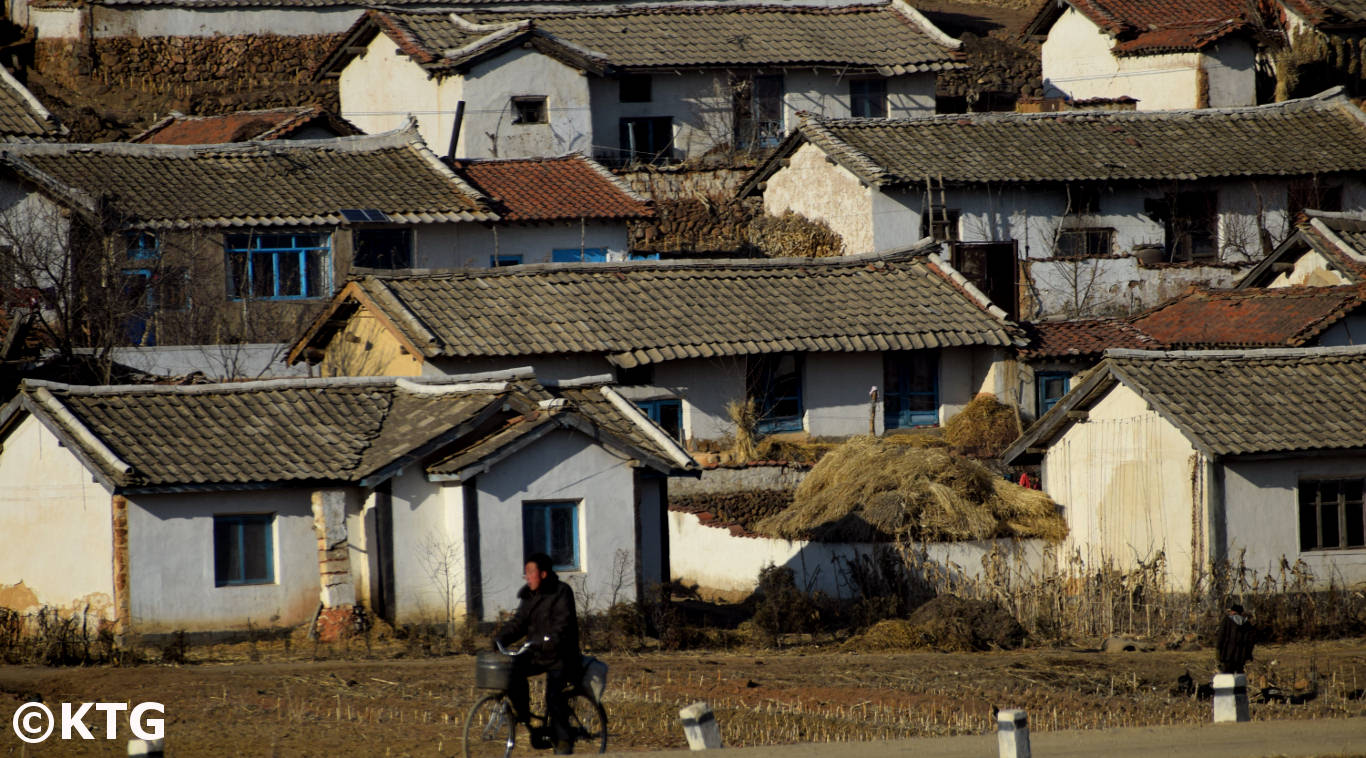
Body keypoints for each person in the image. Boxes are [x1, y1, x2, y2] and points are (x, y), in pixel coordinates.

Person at [495, 553, 582, 755]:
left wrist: (551, 639)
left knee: (554, 697)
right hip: (537, 653)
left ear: (543, 574)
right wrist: (500, 639)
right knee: (512, 671)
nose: (527, 577)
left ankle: (563, 740)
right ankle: (528, 719)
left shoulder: (562, 592)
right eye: (525, 573)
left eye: (530, 573)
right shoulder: (529, 595)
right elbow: (519, 622)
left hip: (561, 655)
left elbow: (563, 623)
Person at [1215, 603, 1256, 674]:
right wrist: (1248, 654)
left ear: (1233, 611)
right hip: (1241, 656)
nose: (1230, 612)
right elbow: (1251, 641)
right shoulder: (1247, 624)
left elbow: (1220, 637)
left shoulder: (1226, 621)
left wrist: (1218, 651)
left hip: (1227, 655)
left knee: (1227, 677)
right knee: (1239, 676)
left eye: (1230, 611)